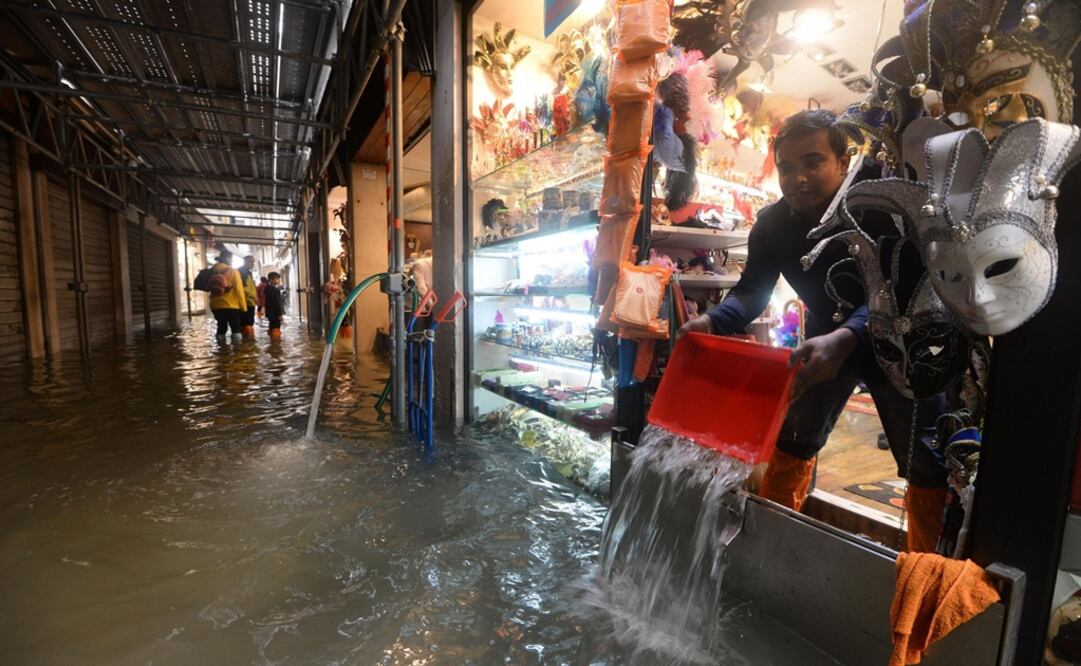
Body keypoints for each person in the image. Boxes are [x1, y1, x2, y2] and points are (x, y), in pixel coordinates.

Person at [675, 109, 948, 552]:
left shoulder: (881, 199)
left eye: (813, 161)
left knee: (926, 466)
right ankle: (772, 545)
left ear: (843, 160)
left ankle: (925, 572)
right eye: (786, 167)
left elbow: (906, 282)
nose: (798, 177)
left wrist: (849, 337)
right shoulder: (772, 225)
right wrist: (710, 322)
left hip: (904, 346)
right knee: (793, 441)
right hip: (824, 344)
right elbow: (751, 293)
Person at [208, 250, 246, 342]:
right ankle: (237, 353)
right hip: (231, 305)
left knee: (221, 328)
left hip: (216, 306)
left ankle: (221, 351)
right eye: (231, 259)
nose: (232, 261)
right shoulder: (233, 271)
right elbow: (239, 290)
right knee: (235, 329)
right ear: (227, 259)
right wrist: (243, 307)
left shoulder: (211, 271)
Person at [238, 255, 258, 339]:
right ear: (245, 261)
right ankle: (250, 342)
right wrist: (253, 296)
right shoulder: (243, 272)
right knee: (247, 324)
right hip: (247, 302)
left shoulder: (247, 272)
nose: (253, 264)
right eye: (251, 262)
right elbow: (243, 288)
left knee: (245, 324)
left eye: (253, 262)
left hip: (248, 302)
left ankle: (246, 343)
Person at [265, 271, 285, 340]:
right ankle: (276, 346)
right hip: (275, 314)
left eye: (279, 278)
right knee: (276, 330)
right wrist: (280, 314)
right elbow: (277, 303)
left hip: (269, 313)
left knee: (272, 328)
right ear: (271, 280)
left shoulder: (267, 289)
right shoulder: (275, 290)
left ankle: (272, 345)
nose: (278, 280)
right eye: (276, 278)